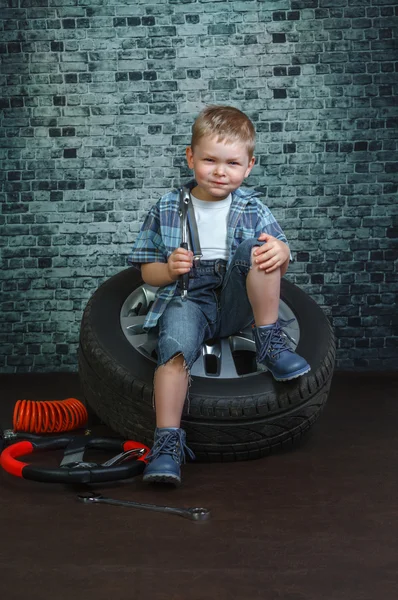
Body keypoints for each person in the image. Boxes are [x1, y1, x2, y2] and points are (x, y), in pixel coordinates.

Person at [128, 105, 310, 486]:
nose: (220, 171)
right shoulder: (165, 207)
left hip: (235, 300)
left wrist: (282, 252)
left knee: (261, 248)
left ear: (249, 166)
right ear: (190, 157)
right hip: (186, 298)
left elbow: (278, 262)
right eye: (209, 159)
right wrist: (170, 268)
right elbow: (148, 272)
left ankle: (270, 345)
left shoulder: (252, 207)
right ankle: (166, 445)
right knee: (173, 352)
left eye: (232, 163)